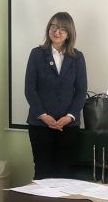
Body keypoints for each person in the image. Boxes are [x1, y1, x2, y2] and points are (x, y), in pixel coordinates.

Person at [24, 12, 87, 179]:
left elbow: (81, 91)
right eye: (53, 26)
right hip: (40, 125)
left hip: (68, 126)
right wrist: (43, 116)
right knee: (42, 172)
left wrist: (70, 116)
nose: (56, 32)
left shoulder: (77, 57)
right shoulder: (37, 54)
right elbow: (30, 89)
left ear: (69, 34)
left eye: (62, 29)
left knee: (64, 174)